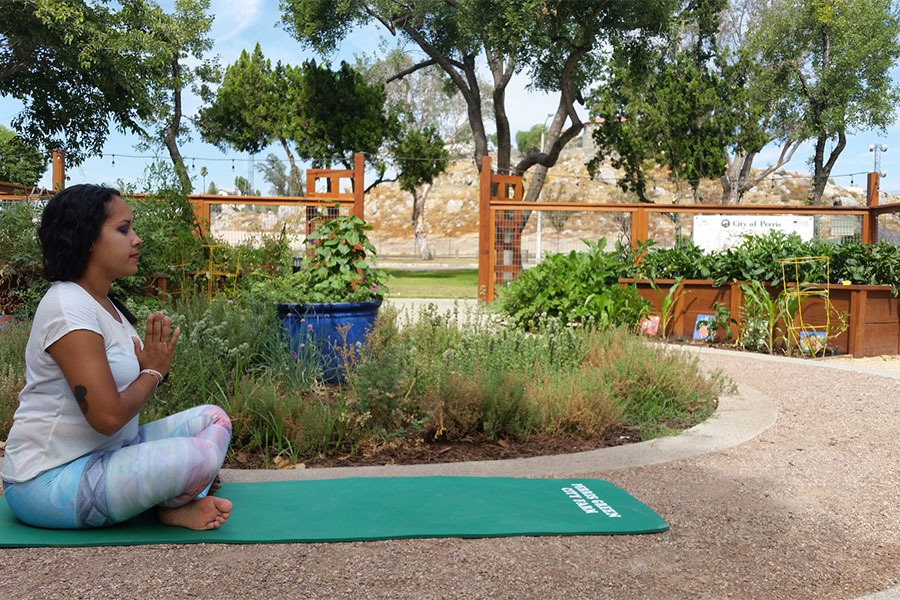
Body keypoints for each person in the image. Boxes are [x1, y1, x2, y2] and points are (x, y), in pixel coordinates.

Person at [1, 184, 233, 530]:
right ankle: (174, 499)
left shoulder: (106, 305)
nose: (136, 239)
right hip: (47, 480)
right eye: (123, 229)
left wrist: (147, 372)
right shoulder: (68, 305)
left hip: (108, 454)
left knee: (215, 419)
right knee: (199, 458)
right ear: (87, 238)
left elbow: (125, 401)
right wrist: (152, 373)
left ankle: (176, 491)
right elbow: (108, 416)